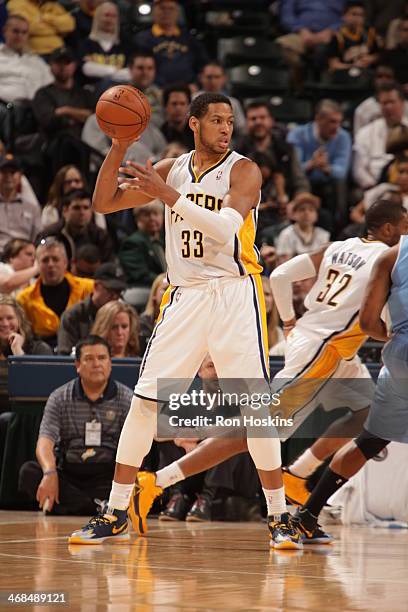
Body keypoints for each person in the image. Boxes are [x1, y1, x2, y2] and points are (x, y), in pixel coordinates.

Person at [69, 92, 303, 549]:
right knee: (145, 403)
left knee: (255, 410)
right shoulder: (169, 168)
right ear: (194, 123)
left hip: (236, 293)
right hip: (185, 296)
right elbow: (103, 203)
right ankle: (116, 509)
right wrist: (119, 145)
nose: (225, 128)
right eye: (216, 120)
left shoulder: (244, 170)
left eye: (229, 121)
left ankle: (279, 517)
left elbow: (224, 229)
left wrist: (166, 196)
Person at [130, 199, 408, 541]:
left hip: (327, 345)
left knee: (367, 415)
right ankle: (157, 481)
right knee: (257, 433)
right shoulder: (388, 260)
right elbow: (374, 320)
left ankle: (299, 475)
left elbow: (281, 275)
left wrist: (290, 322)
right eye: (405, 228)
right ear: (389, 229)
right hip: (323, 351)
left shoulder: (339, 247)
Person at [294, 227, 408, 540]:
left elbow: (368, 323)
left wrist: (397, 337)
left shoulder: (391, 254)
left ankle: (307, 513)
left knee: (369, 441)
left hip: (398, 358)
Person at [18, 336, 133, 516]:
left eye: (102, 358)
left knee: (137, 482)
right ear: (78, 365)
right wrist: (49, 473)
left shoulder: (127, 398)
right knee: (29, 472)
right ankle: (100, 508)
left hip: (108, 474)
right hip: (70, 472)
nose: (96, 364)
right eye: (89, 359)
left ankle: (78, 506)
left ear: (110, 363)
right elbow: (44, 442)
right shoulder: (59, 397)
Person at [288, 99, 352, 230]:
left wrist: (326, 167)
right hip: (304, 181)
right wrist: (312, 164)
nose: (336, 127)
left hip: (329, 184)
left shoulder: (343, 137)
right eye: (332, 122)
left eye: (339, 122)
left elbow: (342, 172)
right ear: (318, 119)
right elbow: (294, 169)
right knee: (300, 183)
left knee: (340, 183)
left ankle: (339, 229)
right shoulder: (298, 135)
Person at [17, 238, 94, 346]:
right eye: (45, 260)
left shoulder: (88, 288)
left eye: (55, 259)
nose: (50, 264)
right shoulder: (24, 299)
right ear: (37, 265)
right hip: (43, 354)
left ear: (65, 263)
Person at [32, 46, 94, 174]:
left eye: (67, 62)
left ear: (74, 65)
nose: (63, 66)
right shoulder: (43, 93)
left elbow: (94, 118)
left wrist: (65, 111)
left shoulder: (85, 94)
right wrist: (79, 116)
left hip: (85, 142)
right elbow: (48, 121)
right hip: (54, 145)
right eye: (58, 62)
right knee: (66, 142)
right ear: (50, 66)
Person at [237, 102, 310, 200]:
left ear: (271, 120)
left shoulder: (286, 148)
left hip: (283, 205)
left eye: (262, 117)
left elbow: (300, 181)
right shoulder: (237, 150)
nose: (258, 122)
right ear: (246, 123)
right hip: (247, 206)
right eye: (253, 119)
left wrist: (299, 200)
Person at [132, 0, 208, 87]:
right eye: (162, 8)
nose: (166, 12)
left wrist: (196, 84)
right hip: (153, 91)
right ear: (153, 11)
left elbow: (203, 66)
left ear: (178, 12)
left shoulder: (190, 40)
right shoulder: (142, 39)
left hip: (187, 91)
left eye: (171, 9)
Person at [58, 262, 127, 355]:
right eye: (110, 290)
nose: (115, 297)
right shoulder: (73, 316)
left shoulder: (123, 316)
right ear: (96, 286)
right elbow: (64, 356)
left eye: (119, 292)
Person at [0, 296, 52, 410]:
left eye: (10, 318)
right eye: (0, 319)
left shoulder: (40, 349)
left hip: (26, 414)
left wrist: (17, 351)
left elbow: (36, 387)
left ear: (20, 319)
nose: (4, 323)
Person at [354, 82, 408, 189]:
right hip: (377, 187)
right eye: (384, 103)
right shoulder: (365, 133)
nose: (388, 107)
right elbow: (358, 170)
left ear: (402, 103)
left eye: (392, 102)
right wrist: (376, 187)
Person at [38, 189, 114, 263]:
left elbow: (107, 265)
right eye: (76, 208)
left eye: (86, 208)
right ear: (65, 211)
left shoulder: (101, 236)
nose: (82, 212)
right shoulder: (49, 234)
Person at [0, 15, 53, 103]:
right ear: (5, 31)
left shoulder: (37, 61)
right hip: (7, 106)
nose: (20, 36)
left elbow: (51, 86)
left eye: (24, 32)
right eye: (15, 31)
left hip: (37, 109)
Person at [77, 2, 128, 89]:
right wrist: (115, 70)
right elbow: (86, 69)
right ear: (97, 17)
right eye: (106, 15)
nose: (110, 19)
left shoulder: (125, 44)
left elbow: (130, 73)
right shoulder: (86, 44)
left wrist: (98, 69)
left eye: (114, 16)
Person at [0, 156, 41, 257]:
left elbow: (38, 238)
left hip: (24, 258)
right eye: (4, 172)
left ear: (20, 176)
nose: (8, 176)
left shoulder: (32, 208)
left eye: (12, 172)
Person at [119, 201, 166, 287]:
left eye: (156, 214)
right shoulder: (132, 243)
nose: (152, 218)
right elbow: (141, 275)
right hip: (143, 289)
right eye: (147, 215)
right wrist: (165, 281)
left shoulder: (165, 240)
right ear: (138, 219)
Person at [7, 0, 75, 56]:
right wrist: (57, 29)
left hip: (60, 51)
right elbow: (29, 27)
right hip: (37, 53)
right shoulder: (16, 3)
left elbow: (69, 25)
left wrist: (47, 18)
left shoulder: (52, 5)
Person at [195, 62, 245, 136]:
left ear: (224, 79)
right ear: (201, 78)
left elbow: (242, 130)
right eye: (209, 77)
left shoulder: (233, 103)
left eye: (217, 77)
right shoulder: (193, 99)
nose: (213, 81)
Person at [327, 1, 379, 73]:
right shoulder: (337, 36)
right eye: (354, 14)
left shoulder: (369, 33)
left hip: (367, 74)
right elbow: (334, 65)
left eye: (361, 15)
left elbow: (378, 55)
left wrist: (371, 59)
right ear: (344, 16)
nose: (358, 18)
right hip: (345, 75)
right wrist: (354, 66)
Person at [275, 193, 330, 259]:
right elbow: (283, 263)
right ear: (294, 214)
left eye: (311, 210)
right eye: (302, 209)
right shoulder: (286, 235)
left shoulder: (323, 234)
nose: (307, 213)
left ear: (316, 215)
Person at [127, 51, 164, 128]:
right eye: (140, 68)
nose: (145, 72)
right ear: (130, 69)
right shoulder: (117, 95)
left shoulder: (162, 96)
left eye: (150, 68)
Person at [138, 272, 169, 353]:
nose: (169, 293)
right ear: (154, 294)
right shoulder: (142, 323)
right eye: (165, 289)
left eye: (172, 290)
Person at [160, 84, 194, 150]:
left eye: (182, 103)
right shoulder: (160, 134)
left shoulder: (198, 133)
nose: (178, 108)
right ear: (165, 106)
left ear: (189, 106)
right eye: (174, 104)